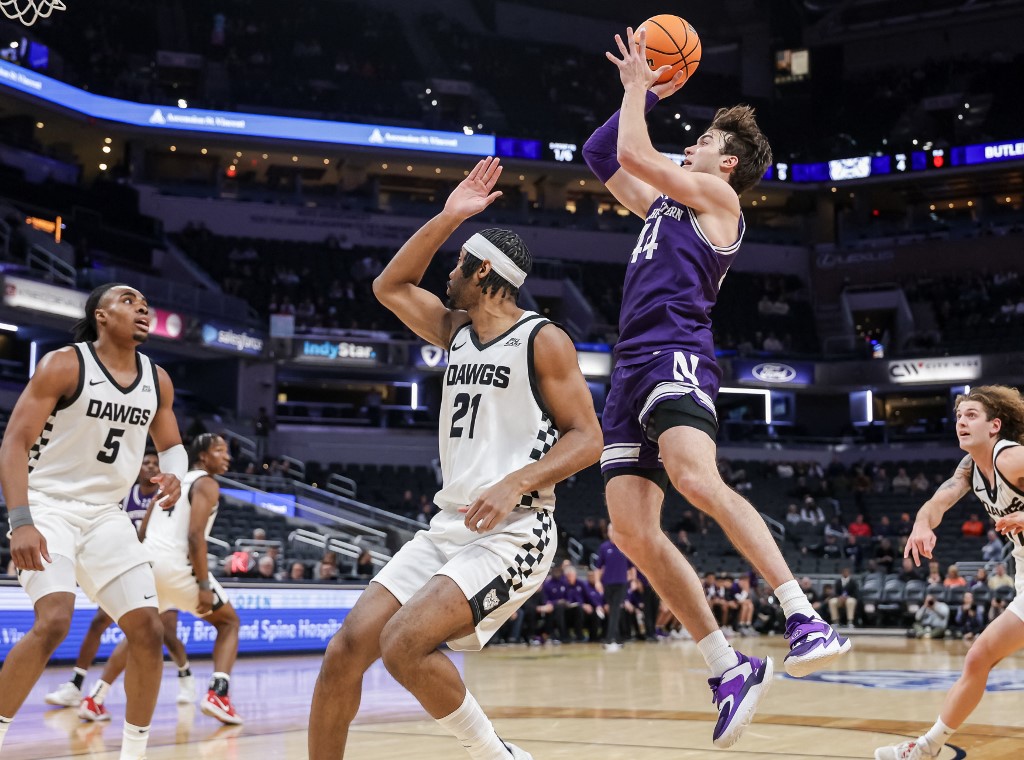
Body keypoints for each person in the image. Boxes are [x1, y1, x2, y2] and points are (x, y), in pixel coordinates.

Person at [584, 28, 849, 748]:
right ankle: (727, 667)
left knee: (696, 479)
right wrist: (642, 97)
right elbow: (603, 155)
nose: (690, 145)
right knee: (629, 531)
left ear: (726, 163)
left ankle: (804, 615)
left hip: (675, 352)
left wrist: (638, 88)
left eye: (701, 140)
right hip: (628, 366)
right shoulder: (665, 206)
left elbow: (634, 154)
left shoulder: (716, 199)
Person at [307, 156, 603, 760]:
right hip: (450, 525)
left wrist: (516, 481)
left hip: (515, 531)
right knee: (346, 651)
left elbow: (587, 438)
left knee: (403, 644)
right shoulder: (455, 331)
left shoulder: (543, 339)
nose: (448, 271)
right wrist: (448, 218)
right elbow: (389, 287)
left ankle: (496, 755)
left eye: (458, 260)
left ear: (484, 271)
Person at [0, 283, 186, 760]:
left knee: (148, 630)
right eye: (128, 300)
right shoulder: (64, 364)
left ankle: (133, 754)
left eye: (145, 303)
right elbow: (14, 442)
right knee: (54, 620)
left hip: (106, 515)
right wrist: (21, 520)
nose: (142, 307)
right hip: (49, 505)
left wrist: (175, 474)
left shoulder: (157, 379)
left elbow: (172, 446)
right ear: (101, 316)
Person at [876, 386, 1024, 759]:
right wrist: (921, 525)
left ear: (995, 425)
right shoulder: (970, 469)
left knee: (979, 656)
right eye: (959, 416)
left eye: (971, 415)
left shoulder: (1011, 458)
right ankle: (928, 748)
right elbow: (936, 503)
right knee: (978, 658)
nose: (961, 422)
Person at [78, 434, 243, 725]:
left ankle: (96, 697)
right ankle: (219, 693)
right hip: (177, 567)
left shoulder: (170, 483)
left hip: (148, 563)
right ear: (202, 456)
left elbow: (142, 532)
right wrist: (204, 585)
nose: (227, 456)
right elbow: (195, 537)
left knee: (139, 634)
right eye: (220, 450)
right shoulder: (206, 483)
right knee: (229, 623)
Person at [44, 453, 196, 710]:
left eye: (156, 463)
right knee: (99, 622)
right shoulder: (124, 494)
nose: (151, 466)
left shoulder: (168, 496)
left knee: (167, 633)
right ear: (138, 467)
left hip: (159, 567)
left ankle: (185, 676)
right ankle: (75, 685)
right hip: (128, 565)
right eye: (146, 463)